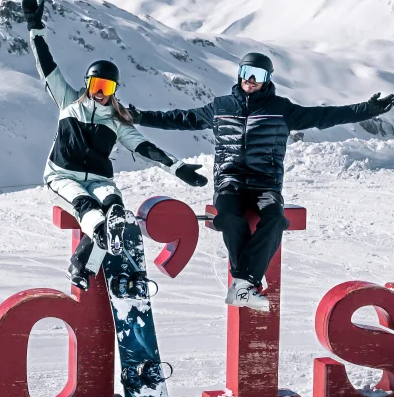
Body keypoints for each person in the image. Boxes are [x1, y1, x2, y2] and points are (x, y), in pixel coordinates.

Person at [129, 51, 394, 312]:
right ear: (239, 74)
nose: (251, 79)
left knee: (275, 219)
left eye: (258, 75)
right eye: (246, 73)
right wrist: (140, 117)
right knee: (229, 217)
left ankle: (244, 283)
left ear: (267, 79)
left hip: (265, 183)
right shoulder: (220, 107)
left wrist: (367, 110)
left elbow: (325, 116)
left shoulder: (281, 110)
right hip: (229, 181)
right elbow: (181, 119)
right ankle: (244, 285)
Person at [22, 0, 208, 290]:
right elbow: (46, 65)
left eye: (106, 87)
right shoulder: (68, 101)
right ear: (87, 84)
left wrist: (178, 169)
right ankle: (85, 259)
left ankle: (84, 265)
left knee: (114, 209)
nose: (100, 92)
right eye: (95, 85)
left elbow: (146, 148)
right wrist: (35, 27)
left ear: (113, 89)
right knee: (89, 209)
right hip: (61, 174)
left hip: (99, 178)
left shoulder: (116, 120)